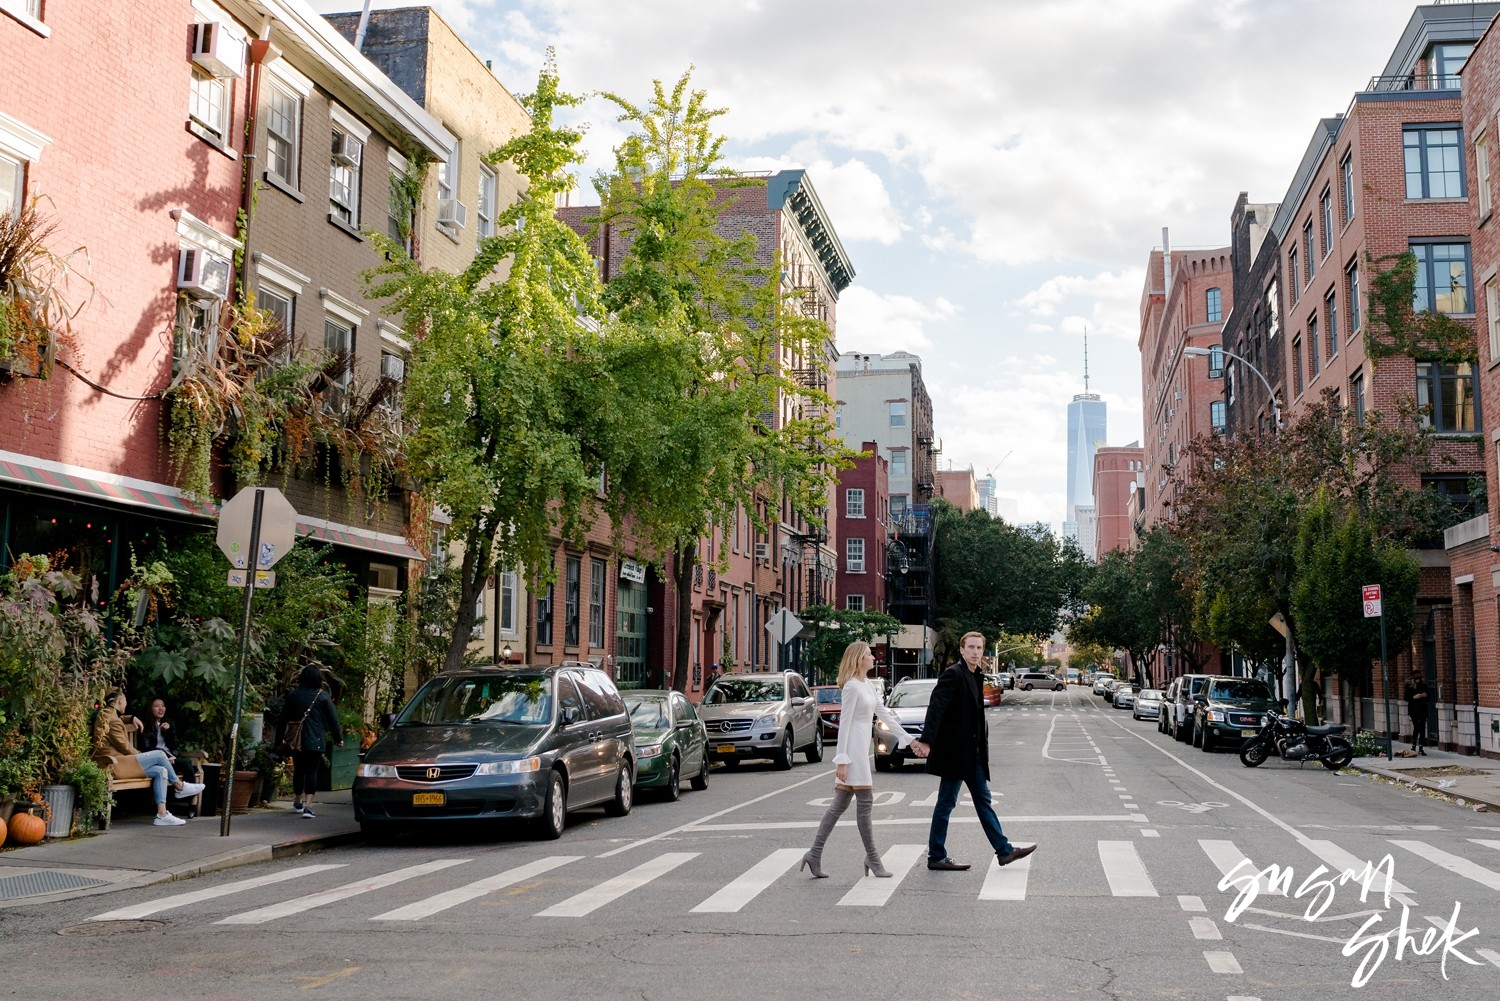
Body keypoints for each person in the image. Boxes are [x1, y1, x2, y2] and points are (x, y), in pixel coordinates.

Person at [801, 641, 926, 879]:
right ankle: (873, 858)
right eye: (869, 654)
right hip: (853, 751)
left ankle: (814, 854)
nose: (873, 657)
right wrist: (842, 760)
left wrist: (909, 740)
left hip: (859, 747)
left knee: (839, 805)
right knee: (865, 802)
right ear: (859, 659)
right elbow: (844, 724)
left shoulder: (867, 684)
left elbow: (885, 714)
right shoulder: (851, 687)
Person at [917, 630, 1035, 871]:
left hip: (973, 755)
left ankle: (1004, 851)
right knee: (946, 803)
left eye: (979, 648)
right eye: (970, 647)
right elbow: (936, 708)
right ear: (962, 650)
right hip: (955, 754)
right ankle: (936, 855)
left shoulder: (975, 675)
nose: (975, 652)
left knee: (983, 801)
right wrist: (927, 741)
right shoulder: (954, 675)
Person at [92, 691, 204, 826]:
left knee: (161, 771)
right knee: (159, 755)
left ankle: (162, 814)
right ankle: (180, 786)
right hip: (113, 764)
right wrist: (142, 754)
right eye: (125, 700)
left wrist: (131, 717)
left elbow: (120, 720)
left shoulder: (109, 714)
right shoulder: (113, 719)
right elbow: (125, 747)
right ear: (119, 701)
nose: (126, 703)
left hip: (120, 762)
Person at [279, 665, 343, 818]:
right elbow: (332, 720)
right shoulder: (323, 696)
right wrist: (338, 739)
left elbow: (282, 719)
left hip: (297, 740)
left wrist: (278, 741)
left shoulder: (293, 695)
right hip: (316, 740)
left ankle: (297, 800)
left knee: (299, 770)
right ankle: (308, 806)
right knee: (312, 771)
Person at [1405, 675, 1430, 756]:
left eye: (1419, 679)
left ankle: (1421, 748)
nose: (1418, 680)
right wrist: (1414, 697)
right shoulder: (1409, 686)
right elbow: (1406, 697)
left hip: (1422, 709)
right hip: (1413, 710)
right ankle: (1413, 746)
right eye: (1417, 679)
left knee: (1422, 727)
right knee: (1417, 727)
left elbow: (1429, 696)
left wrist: (1424, 695)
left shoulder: (1424, 686)